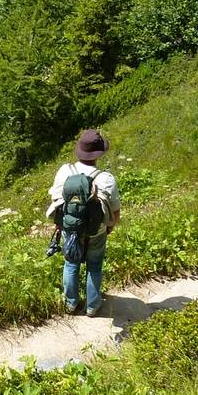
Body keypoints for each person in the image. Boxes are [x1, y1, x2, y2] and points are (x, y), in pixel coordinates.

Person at [47, 129, 121, 317]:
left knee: (71, 263)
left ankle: (71, 304)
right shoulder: (106, 178)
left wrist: (60, 223)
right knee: (94, 265)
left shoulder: (65, 171)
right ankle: (93, 306)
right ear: (99, 154)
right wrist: (108, 228)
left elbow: (56, 199)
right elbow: (115, 211)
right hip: (97, 230)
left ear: (79, 150)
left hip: (70, 228)